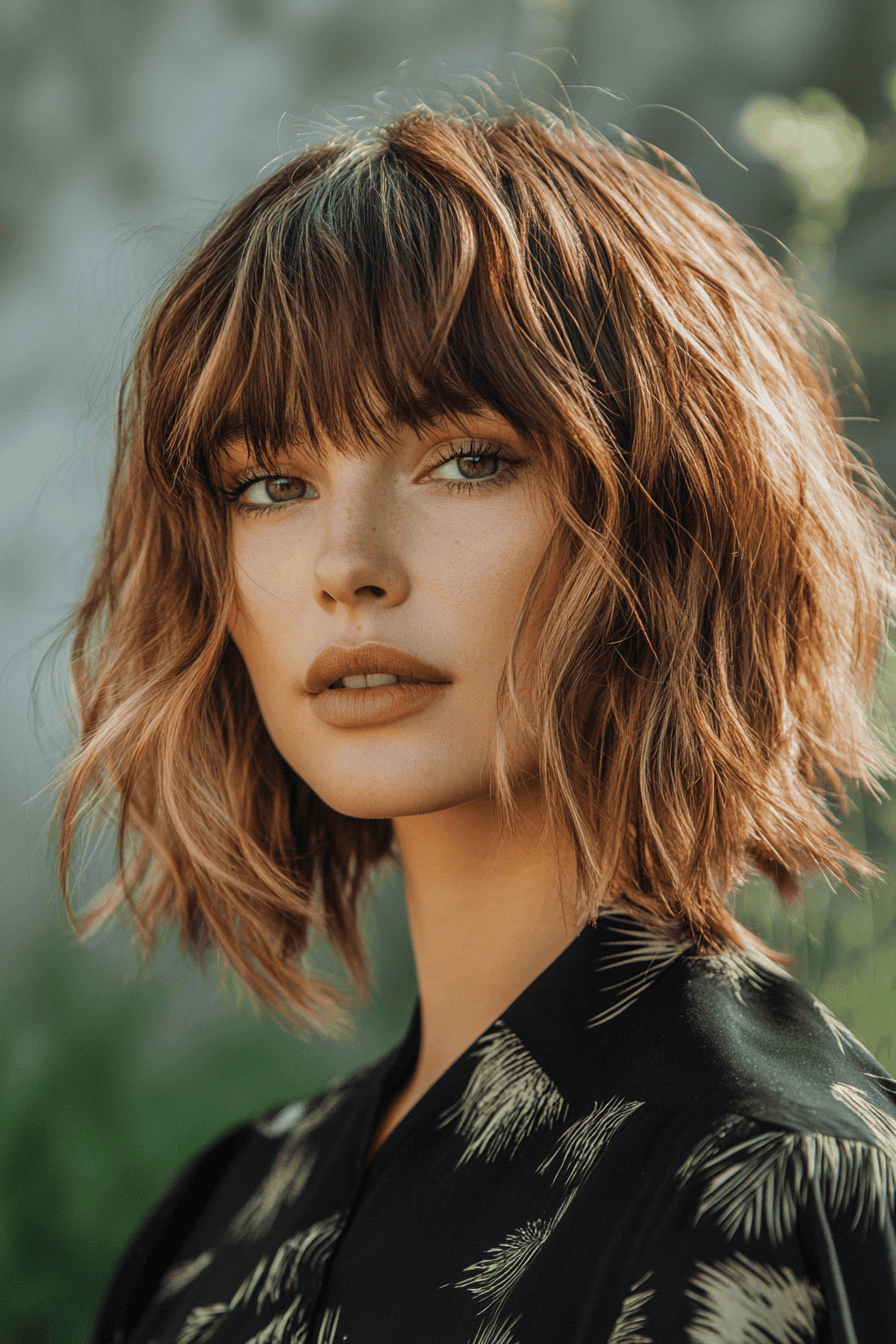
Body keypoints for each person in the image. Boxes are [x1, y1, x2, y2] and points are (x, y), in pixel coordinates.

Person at [45, 86, 896, 1342]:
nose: (347, 562)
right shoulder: (219, 1220)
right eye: (270, 483)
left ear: (672, 517)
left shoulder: (769, 1179)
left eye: (467, 459)